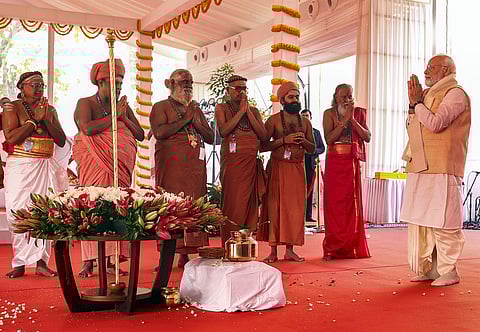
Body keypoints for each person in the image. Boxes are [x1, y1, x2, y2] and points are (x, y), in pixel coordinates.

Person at [400, 55, 470, 287]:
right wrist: (414, 105)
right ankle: (430, 268)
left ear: (447, 70)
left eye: (432, 68)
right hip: (422, 165)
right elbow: (414, 126)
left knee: (443, 220)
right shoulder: (428, 94)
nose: (426, 71)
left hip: (442, 167)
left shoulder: (456, 94)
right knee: (424, 220)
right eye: (427, 67)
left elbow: (437, 123)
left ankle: (449, 270)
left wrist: (417, 103)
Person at [72, 59, 144, 278]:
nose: (119, 87)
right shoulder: (85, 103)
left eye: (121, 83)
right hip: (95, 163)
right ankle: (89, 261)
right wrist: (114, 118)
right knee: (93, 206)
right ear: (101, 82)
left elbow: (140, 134)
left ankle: (113, 260)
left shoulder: (122, 105)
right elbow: (87, 128)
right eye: (115, 83)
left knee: (117, 207)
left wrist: (123, 117)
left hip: (119, 167)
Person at [2, 71, 67, 278]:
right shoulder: (13, 107)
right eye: (34, 84)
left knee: (44, 211)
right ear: (22, 87)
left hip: (44, 165)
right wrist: (33, 122)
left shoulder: (50, 109)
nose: (39, 88)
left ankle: (41, 262)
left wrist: (46, 120)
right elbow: (11, 138)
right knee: (18, 211)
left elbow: (61, 140)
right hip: (20, 167)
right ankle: (19, 263)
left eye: (42, 85)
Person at [150, 69, 214, 268]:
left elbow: (211, 137)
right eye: (183, 82)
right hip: (172, 168)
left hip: (194, 169)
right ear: (170, 83)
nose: (188, 85)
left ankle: (186, 255)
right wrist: (187, 118)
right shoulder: (160, 106)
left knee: (192, 209)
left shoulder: (195, 109)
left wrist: (196, 120)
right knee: (170, 208)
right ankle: (166, 256)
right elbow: (159, 132)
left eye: (190, 82)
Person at [258, 81, 315, 263]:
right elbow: (263, 146)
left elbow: (313, 148)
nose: (295, 100)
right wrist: (284, 140)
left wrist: (303, 141)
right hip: (278, 168)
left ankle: (290, 250)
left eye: (297, 97)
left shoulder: (304, 122)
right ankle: (273, 251)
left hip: (297, 169)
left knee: (294, 210)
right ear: (282, 100)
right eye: (291, 97)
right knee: (275, 208)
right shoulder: (273, 120)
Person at [215, 75, 267, 247]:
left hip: (251, 164)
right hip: (233, 165)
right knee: (233, 204)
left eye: (244, 88)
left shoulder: (254, 111)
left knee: (250, 207)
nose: (241, 92)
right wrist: (240, 113)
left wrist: (248, 112)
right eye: (237, 88)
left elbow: (264, 135)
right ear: (227, 91)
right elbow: (224, 131)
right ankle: (229, 245)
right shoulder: (221, 108)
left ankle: (246, 244)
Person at [322, 83, 371, 260]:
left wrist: (352, 120)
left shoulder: (359, 113)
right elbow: (329, 139)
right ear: (335, 97)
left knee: (352, 205)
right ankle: (334, 247)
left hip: (352, 164)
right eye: (343, 96)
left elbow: (367, 137)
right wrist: (343, 122)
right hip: (335, 164)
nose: (347, 100)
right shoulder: (329, 114)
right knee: (334, 205)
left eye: (349, 96)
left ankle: (352, 247)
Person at [300, 109, 325, 223]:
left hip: (311, 165)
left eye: (307, 115)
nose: (305, 117)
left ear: (310, 117)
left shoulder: (316, 132)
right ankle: (298, 215)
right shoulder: (297, 132)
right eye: (303, 115)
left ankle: (308, 215)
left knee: (309, 190)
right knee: (298, 191)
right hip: (298, 164)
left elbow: (322, 148)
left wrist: (312, 151)